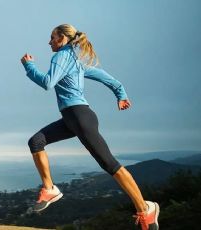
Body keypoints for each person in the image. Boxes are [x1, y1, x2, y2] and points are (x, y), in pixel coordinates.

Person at [20, 24, 160, 230]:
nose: (49, 42)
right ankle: (49, 188)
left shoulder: (61, 57)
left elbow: (48, 82)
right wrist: (121, 94)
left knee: (110, 164)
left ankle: (146, 209)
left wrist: (29, 66)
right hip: (73, 118)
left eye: (52, 37)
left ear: (63, 39)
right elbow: (105, 77)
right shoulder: (75, 61)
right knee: (36, 141)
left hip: (80, 117)